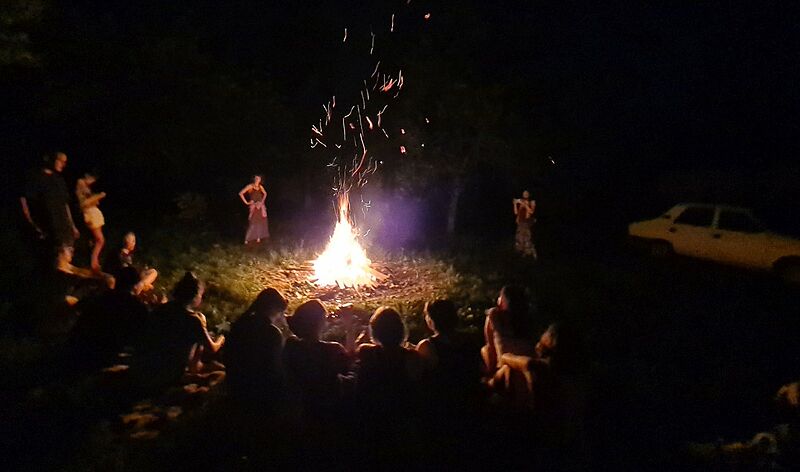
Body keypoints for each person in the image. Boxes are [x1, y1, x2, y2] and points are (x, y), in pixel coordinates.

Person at [132, 272, 224, 392]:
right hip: (168, 373)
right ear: (195, 296)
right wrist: (221, 339)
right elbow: (212, 348)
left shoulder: (161, 309)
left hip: (143, 366)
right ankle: (194, 370)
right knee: (219, 372)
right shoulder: (193, 320)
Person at [283, 300, 358, 416]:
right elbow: (350, 362)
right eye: (325, 318)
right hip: (328, 410)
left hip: (299, 409)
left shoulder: (291, 345)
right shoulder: (332, 349)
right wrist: (350, 328)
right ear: (320, 322)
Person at [69, 266, 148, 370]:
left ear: (117, 279)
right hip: (106, 355)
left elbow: (80, 317)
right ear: (134, 284)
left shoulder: (100, 297)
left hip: (82, 349)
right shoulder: (137, 307)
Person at [355, 307, 423, 420]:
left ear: (375, 331)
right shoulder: (411, 356)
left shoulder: (365, 351)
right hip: (403, 415)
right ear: (401, 329)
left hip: (372, 415)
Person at [225, 288, 288, 402]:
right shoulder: (271, 333)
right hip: (259, 392)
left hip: (235, 384)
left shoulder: (241, 323)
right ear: (273, 309)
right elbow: (275, 369)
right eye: (280, 313)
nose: (280, 317)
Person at [416, 300, 480, 402]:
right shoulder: (469, 339)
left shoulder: (428, 346)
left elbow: (418, 376)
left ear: (431, 320)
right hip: (470, 398)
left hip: (442, 402)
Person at [481, 286, 536, 398]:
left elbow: (490, 348)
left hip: (509, 368)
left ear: (503, 299)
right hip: (530, 371)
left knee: (486, 350)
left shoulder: (494, 316)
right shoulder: (530, 319)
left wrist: (491, 374)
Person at [20, 152, 80, 252]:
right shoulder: (37, 178)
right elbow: (25, 200)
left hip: (64, 228)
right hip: (49, 228)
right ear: (51, 160)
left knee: (65, 260)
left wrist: (72, 225)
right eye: (60, 160)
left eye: (64, 162)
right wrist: (33, 224)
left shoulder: (59, 180)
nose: (63, 164)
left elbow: (65, 204)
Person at [75, 172, 107, 271]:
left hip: (94, 212)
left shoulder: (86, 187)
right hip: (90, 214)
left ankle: (93, 261)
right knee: (100, 240)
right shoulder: (80, 184)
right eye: (93, 179)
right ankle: (93, 262)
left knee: (95, 240)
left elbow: (90, 200)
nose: (93, 182)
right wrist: (98, 196)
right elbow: (84, 204)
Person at [238, 174, 270, 244]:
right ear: (253, 179)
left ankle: (258, 238)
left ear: (260, 180)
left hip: (260, 207)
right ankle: (247, 239)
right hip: (253, 206)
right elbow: (240, 193)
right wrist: (246, 202)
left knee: (260, 222)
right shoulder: (250, 186)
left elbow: (265, 193)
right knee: (252, 222)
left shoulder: (260, 187)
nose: (257, 180)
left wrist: (262, 201)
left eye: (259, 179)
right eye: (256, 178)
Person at [513, 190, 537, 259]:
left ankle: (530, 252)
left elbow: (531, 211)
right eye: (524, 193)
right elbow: (515, 212)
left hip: (526, 222)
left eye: (526, 193)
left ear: (529, 194)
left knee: (526, 237)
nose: (525, 194)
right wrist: (515, 204)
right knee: (519, 237)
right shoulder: (521, 201)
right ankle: (522, 253)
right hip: (520, 222)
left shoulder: (532, 201)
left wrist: (526, 205)